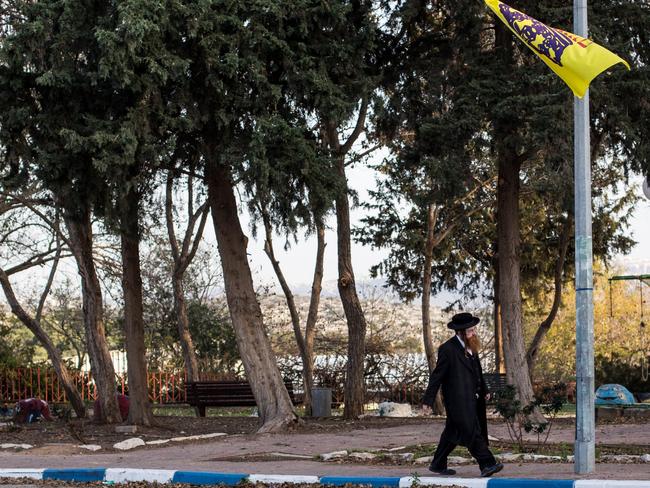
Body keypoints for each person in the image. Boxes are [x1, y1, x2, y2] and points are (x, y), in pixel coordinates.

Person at [422, 312, 503, 478]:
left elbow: (477, 371)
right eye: (470, 330)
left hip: (472, 398)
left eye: (473, 329)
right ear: (460, 332)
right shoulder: (447, 349)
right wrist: (428, 400)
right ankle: (487, 464)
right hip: (457, 400)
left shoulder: (471, 345)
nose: (474, 332)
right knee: (471, 431)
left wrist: (485, 390)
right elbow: (437, 376)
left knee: (452, 432)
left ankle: (438, 463)